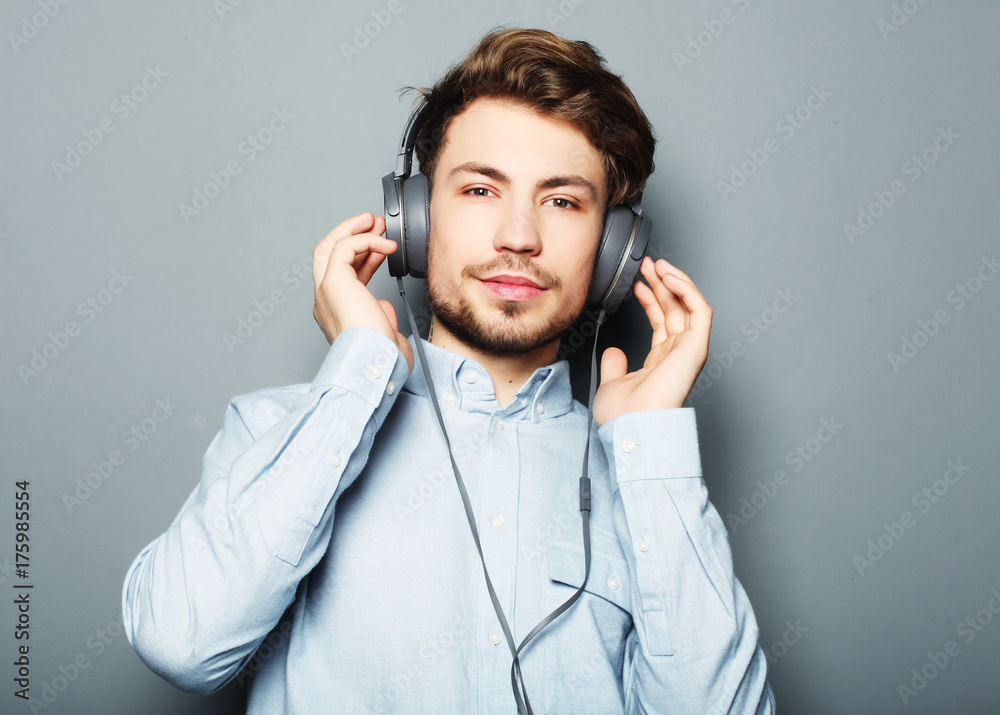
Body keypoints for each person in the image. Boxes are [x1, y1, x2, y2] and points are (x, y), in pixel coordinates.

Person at [122, 27, 775, 714]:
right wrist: (356, 378)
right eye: (480, 190)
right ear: (416, 218)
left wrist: (654, 452)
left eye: (561, 201)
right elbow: (181, 642)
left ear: (613, 252)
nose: (518, 236)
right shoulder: (279, 432)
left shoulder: (641, 480)